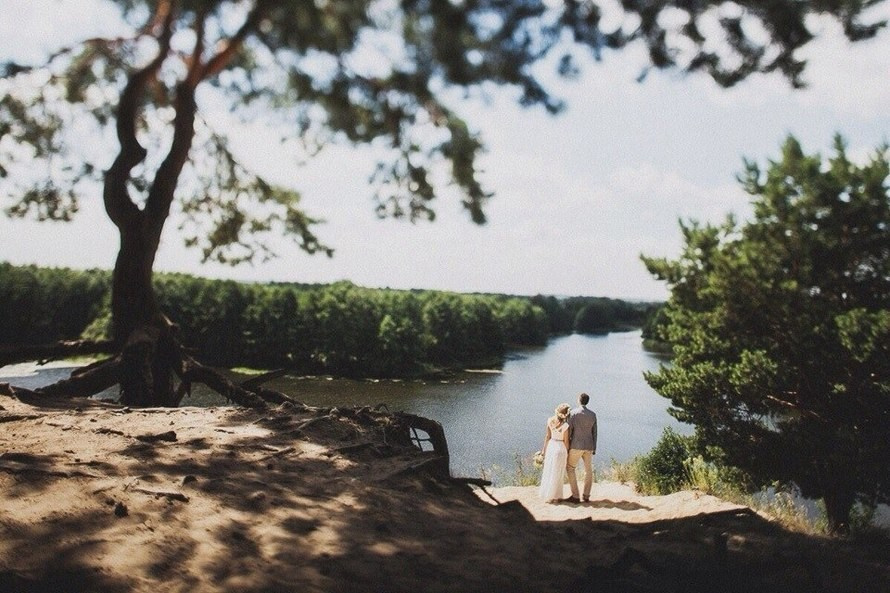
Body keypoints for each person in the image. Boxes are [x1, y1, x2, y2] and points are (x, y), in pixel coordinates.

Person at [565, 392, 598, 503]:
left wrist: (567, 446)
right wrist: (594, 447)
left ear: (579, 400)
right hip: (589, 446)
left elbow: (569, 431)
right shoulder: (593, 415)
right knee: (589, 471)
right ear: (587, 401)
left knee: (570, 468)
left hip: (576, 445)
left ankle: (575, 495)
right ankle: (586, 495)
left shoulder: (573, 413)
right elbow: (595, 433)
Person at [537, 403, 571, 503]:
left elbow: (547, 437)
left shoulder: (549, 421)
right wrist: (568, 453)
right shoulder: (565, 426)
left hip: (551, 446)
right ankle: (556, 497)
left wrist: (544, 451)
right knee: (558, 472)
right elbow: (566, 441)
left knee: (549, 470)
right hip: (560, 448)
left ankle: (547, 494)